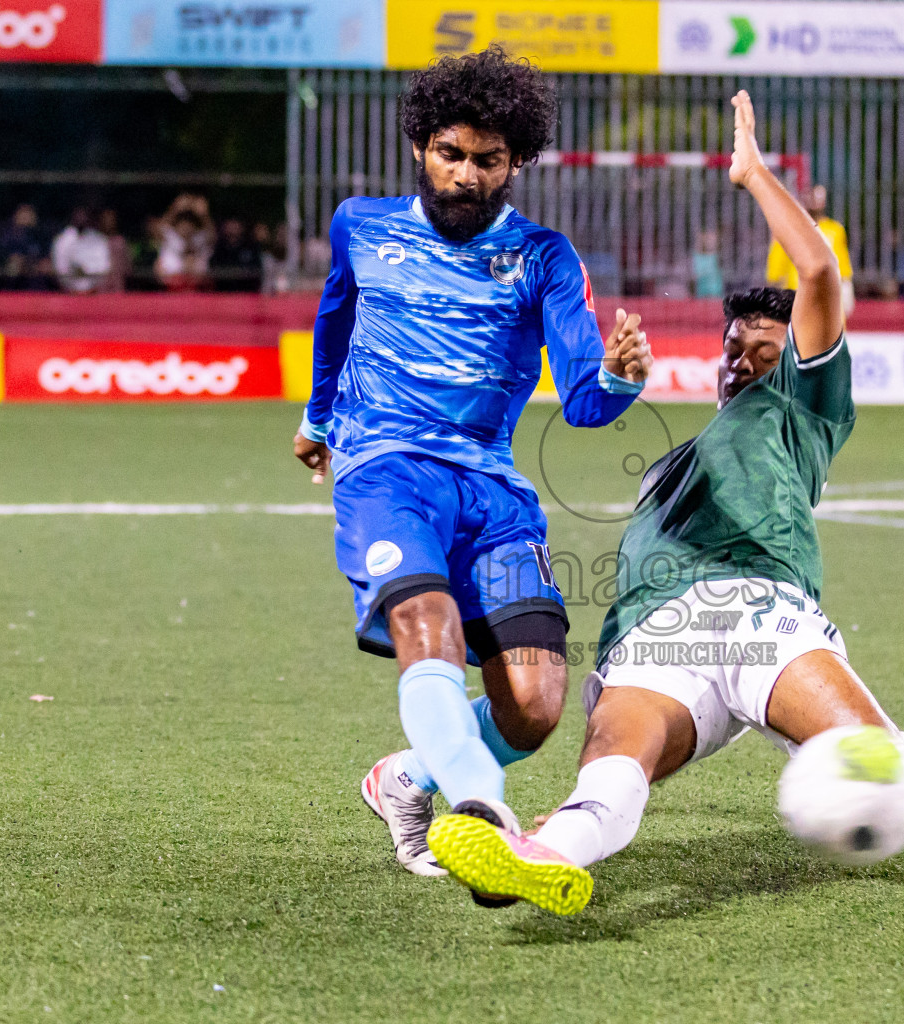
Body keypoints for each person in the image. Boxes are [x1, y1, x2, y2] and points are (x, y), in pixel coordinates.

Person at [426, 91, 904, 916]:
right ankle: (534, 858)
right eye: (731, 350)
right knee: (608, 774)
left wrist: (754, 175)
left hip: (760, 608)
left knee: (875, 757)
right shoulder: (675, 461)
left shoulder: (805, 409)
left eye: (761, 350)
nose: (739, 362)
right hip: (652, 630)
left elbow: (817, 273)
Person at [293, 47, 653, 887]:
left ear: (517, 162)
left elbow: (586, 403)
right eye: (449, 153)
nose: (464, 174)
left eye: (487, 160)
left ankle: (404, 781)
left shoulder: (545, 258)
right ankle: (481, 807)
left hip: (491, 492)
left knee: (534, 709)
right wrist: (318, 419)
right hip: (386, 470)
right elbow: (334, 322)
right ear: (420, 145)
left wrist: (623, 381)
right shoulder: (362, 224)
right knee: (432, 632)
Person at [766, 183, 854, 315]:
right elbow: (775, 270)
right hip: (797, 296)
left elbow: (842, 264)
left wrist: (846, 288)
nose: (815, 200)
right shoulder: (789, 228)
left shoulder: (835, 230)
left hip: (828, 299)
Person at [51, 207, 112, 293]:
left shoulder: (98, 239)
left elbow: (104, 267)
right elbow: (60, 268)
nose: (81, 219)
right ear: (73, 217)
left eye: (84, 216)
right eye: (79, 215)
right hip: (68, 292)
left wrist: (86, 270)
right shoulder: (62, 240)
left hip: (93, 292)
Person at [0, 203, 51, 290]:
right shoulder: (7, 235)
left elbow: (45, 256)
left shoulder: (40, 235)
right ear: (16, 216)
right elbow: (1, 256)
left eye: (29, 213)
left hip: (36, 278)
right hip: (14, 281)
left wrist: (41, 263)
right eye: (23, 213)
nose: (26, 216)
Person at [210, 216, 262, 292]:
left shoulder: (251, 246)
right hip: (223, 293)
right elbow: (213, 268)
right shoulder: (219, 248)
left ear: (241, 226)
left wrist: (238, 273)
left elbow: (257, 269)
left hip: (247, 293)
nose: (232, 227)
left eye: (235, 223)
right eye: (230, 223)